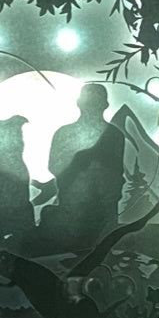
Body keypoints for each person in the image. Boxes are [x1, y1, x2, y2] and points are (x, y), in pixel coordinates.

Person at [41, 84, 125, 249]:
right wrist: (78, 164)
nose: (92, 107)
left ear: (104, 105)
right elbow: (54, 167)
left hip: (102, 214)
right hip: (71, 210)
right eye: (90, 102)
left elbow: (115, 175)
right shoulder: (65, 133)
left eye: (96, 102)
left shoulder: (114, 135)